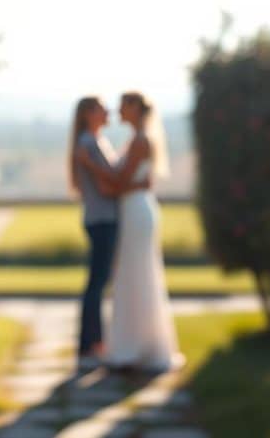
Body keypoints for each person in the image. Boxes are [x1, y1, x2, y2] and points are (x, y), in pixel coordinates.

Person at [101, 91, 182, 372]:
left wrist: (92, 167)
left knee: (137, 275)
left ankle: (135, 348)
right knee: (134, 275)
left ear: (135, 107)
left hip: (136, 212)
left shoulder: (140, 141)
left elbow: (122, 181)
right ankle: (132, 345)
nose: (118, 110)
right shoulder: (136, 139)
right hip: (134, 210)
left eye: (123, 105)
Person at [68, 97, 148, 368]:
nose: (108, 111)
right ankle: (90, 346)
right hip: (102, 218)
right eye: (102, 108)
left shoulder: (94, 142)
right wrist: (137, 185)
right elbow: (106, 186)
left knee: (98, 282)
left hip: (100, 218)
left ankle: (93, 343)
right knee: (97, 283)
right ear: (88, 113)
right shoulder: (89, 144)